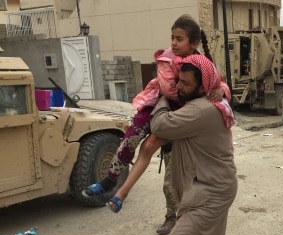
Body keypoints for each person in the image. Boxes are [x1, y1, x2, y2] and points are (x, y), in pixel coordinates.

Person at [81, 15, 229, 223]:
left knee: (163, 162)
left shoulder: (202, 64)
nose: (174, 43)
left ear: (193, 43)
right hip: (159, 107)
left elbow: (218, 82)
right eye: (173, 38)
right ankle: (111, 182)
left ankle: (171, 215)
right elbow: (169, 89)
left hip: (180, 116)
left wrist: (221, 91)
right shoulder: (168, 59)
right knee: (132, 140)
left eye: (179, 39)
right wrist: (200, 93)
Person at [150, 54, 237, 235]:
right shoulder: (210, 102)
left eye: (186, 84)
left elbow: (160, 126)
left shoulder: (200, 109)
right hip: (217, 184)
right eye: (177, 81)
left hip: (210, 189)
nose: (179, 87)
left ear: (203, 86)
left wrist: (162, 98)